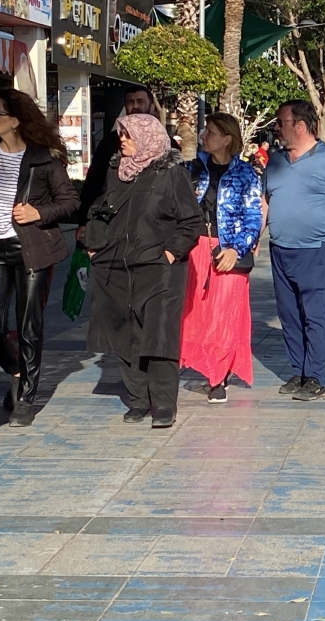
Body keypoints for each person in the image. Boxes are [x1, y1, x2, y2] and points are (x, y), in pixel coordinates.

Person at [0, 88, 79, 428]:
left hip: (33, 249)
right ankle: (17, 372)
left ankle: (26, 398)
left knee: (29, 325)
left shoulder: (43, 158)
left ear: (15, 120)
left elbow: (70, 201)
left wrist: (39, 212)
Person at [87, 114, 201, 428]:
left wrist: (169, 254)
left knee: (159, 335)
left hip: (159, 269)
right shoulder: (116, 172)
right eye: (121, 133)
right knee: (125, 334)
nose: (121, 139)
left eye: (128, 134)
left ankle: (163, 404)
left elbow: (191, 221)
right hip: (117, 267)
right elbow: (100, 211)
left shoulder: (172, 174)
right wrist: (95, 247)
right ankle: (138, 400)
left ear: (146, 137)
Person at [263, 100, 325, 401]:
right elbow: (266, 201)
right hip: (280, 248)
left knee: (314, 313)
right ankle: (299, 371)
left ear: (300, 126)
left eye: (281, 122)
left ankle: (317, 377)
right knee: (289, 314)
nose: (276, 128)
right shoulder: (275, 161)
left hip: (315, 249)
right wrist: (255, 236)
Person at [180, 113, 263, 404]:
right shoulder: (192, 169)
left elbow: (254, 218)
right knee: (195, 311)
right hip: (196, 247)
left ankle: (219, 376)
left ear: (227, 139)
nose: (203, 136)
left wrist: (236, 249)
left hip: (228, 250)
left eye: (211, 132)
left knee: (225, 315)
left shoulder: (246, 174)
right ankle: (199, 364)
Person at [79, 86, 162, 220]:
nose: (135, 106)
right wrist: (83, 220)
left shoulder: (165, 143)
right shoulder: (110, 142)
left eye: (140, 101)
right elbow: (94, 182)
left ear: (152, 106)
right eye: (130, 102)